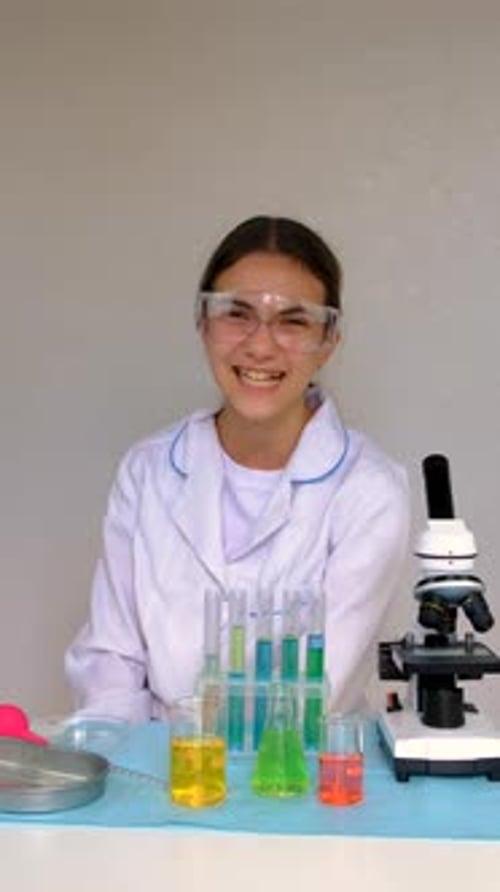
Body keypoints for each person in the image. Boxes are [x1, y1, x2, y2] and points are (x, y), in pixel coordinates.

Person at [65, 215, 410, 722]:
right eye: (237, 314)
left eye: (293, 321)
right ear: (203, 323)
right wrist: (128, 758)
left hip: (299, 764)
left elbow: (315, 693)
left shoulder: (369, 490)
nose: (260, 345)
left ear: (329, 341)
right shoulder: (148, 470)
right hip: (154, 760)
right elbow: (110, 661)